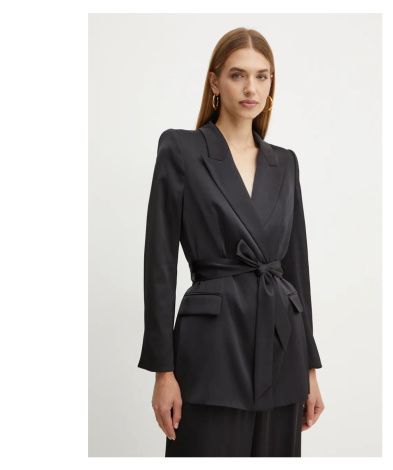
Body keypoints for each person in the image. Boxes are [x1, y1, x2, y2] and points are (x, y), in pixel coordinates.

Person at [137, 27, 325, 457]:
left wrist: (310, 369)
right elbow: (159, 265)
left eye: (262, 76)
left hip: (282, 347)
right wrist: (163, 371)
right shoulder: (182, 149)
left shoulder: (285, 163)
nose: (251, 88)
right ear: (215, 82)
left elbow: (296, 270)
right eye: (238, 75)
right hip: (212, 348)